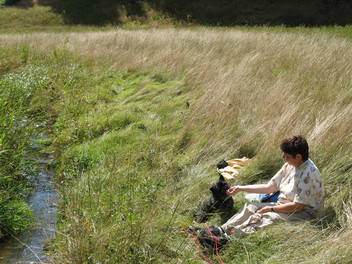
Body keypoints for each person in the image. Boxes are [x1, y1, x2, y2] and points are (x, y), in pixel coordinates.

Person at [191, 135, 325, 250]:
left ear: (298, 156)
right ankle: (221, 230)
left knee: (267, 218)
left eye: (286, 155)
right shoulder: (291, 164)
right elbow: (270, 187)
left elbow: (297, 206)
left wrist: (270, 209)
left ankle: (226, 240)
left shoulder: (309, 173)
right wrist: (241, 188)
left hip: (304, 213)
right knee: (251, 207)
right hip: (284, 205)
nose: (283, 157)